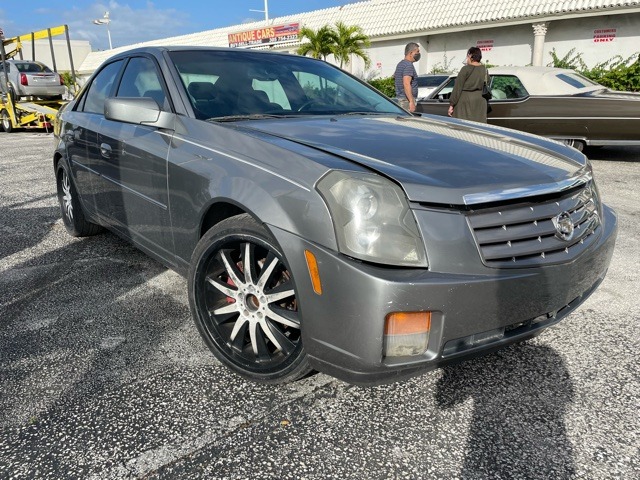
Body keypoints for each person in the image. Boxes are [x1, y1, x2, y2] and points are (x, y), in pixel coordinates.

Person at [447, 47, 488, 123]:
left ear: (470, 56)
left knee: (462, 126)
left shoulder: (465, 69)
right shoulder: (484, 69)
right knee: (478, 127)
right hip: (480, 101)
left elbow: (457, 88)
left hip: (465, 101)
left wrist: (451, 104)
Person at [394, 42, 421, 112]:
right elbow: (406, 83)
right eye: (417, 52)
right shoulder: (409, 65)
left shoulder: (400, 64)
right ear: (411, 53)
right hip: (406, 102)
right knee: (407, 122)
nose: (419, 54)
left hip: (400, 99)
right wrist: (411, 102)